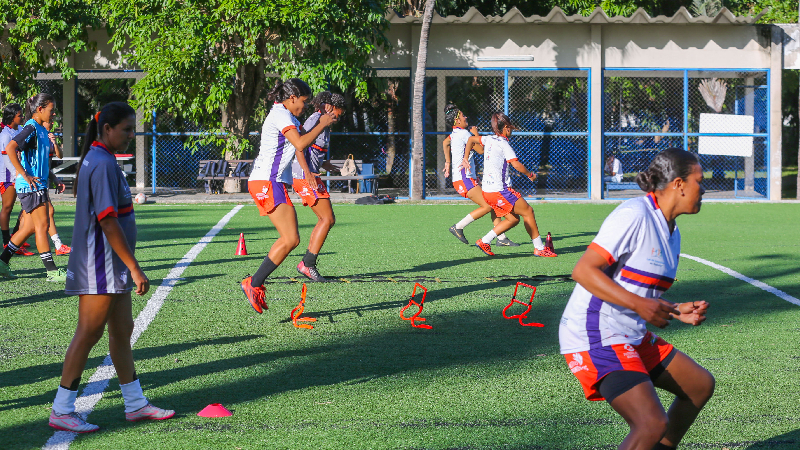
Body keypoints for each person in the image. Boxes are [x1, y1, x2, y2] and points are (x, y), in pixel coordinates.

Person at [559, 148, 714, 450]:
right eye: (700, 181)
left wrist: (675, 309)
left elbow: (639, 289)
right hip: (595, 333)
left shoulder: (673, 231)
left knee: (699, 385)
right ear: (679, 184)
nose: (704, 188)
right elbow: (583, 271)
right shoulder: (635, 214)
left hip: (630, 333)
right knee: (651, 423)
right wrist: (642, 306)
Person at [50, 102, 174, 433]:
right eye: (127, 129)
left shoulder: (101, 158)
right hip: (100, 263)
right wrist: (135, 268)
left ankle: (135, 405)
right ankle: (62, 408)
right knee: (89, 332)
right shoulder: (102, 162)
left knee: (122, 330)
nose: (131, 135)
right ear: (107, 128)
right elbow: (107, 221)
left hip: (109, 262)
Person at [241, 79, 336, 313]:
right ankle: (252, 284)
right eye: (303, 102)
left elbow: (302, 142)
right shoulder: (280, 114)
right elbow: (301, 142)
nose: (304, 107)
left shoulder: (288, 116)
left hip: (274, 182)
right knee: (290, 239)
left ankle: (254, 284)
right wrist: (322, 123)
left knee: (291, 239)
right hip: (267, 181)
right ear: (292, 97)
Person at [463, 112, 556, 258]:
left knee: (513, 219)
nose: (511, 131)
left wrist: (465, 158)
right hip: (499, 190)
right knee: (528, 212)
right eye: (510, 128)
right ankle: (539, 248)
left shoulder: (487, 139)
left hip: (487, 191)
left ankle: (484, 241)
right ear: (506, 128)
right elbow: (516, 165)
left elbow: (470, 140)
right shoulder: (503, 143)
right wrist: (530, 174)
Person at [0, 93, 66, 280]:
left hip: (39, 184)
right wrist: (25, 174)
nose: (54, 115)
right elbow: (11, 148)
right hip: (31, 186)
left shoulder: (42, 130)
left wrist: (53, 178)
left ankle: (2, 263)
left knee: (28, 228)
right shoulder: (30, 128)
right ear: (40, 109)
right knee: (42, 225)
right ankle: (52, 272)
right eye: (51, 111)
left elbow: (42, 161)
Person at [442, 103, 518, 247]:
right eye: (463, 115)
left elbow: (445, 143)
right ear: (457, 120)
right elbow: (481, 151)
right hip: (464, 179)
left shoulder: (455, 133)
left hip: (462, 179)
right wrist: (476, 134)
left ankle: (501, 237)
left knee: (493, 203)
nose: (466, 117)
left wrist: (447, 162)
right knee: (488, 205)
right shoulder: (464, 133)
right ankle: (458, 226)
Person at [291, 91, 344, 282]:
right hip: (304, 176)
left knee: (326, 219)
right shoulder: (316, 120)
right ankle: (307, 264)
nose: (339, 116)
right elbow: (299, 148)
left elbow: (314, 150)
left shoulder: (325, 123)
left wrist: (326, 165)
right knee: (327, 218)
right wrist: (307, 173)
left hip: (310, 175)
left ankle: (307, 262)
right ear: (329, 106)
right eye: (339, 111)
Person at [0, 103, 33, 255]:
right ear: (12, 117)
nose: (21, 117)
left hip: (20, 173)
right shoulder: (5, 134)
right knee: (7, 207)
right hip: (7, 176)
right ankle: (7, 241)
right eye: (19, 115)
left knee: (26, 205)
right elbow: (6, 158)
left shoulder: (19, 130)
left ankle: (15, 236)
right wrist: (16, 174)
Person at [42, 119, 71, 255]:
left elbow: (60, 156)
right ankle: (58, 245)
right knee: (49, 211)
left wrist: (54, 142)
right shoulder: (37, 136)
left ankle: (11, 245)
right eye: (50, 120)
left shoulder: (48, 137)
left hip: (43, 180)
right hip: (34, 182)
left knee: (27, 219)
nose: (52, 122)